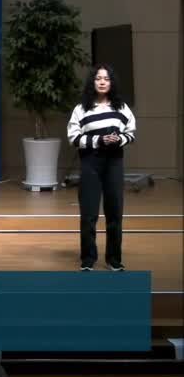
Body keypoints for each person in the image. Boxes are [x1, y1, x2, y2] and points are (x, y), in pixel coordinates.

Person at [67, 64, 136, 271]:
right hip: (91, 163)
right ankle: (88, 258)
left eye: (106, 78)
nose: (102, 82)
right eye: (98, 78)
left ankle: (113, 259)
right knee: (89, 213)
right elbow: (74, 138)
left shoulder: (121, 108)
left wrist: (118, 139)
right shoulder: (81, 109)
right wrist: (99, 140)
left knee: (115, 212)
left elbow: (131, 133)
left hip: (114, 162)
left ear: (111, 82)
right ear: (93, 82)